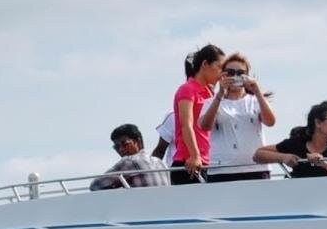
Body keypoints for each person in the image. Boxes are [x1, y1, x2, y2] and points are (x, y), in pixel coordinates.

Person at [204, 53, 278, 182]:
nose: (235, 77)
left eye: (240, 73)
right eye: (230, 73)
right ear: (222, 75)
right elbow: (205, 126)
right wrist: (219, 95)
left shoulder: (255, 101)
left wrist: (257, 91)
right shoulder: (212, 102)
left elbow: (270, 122)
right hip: (222, 169)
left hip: (255, 168)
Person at [169, 45, 226, 183]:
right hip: (188, 162)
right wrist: (195, 155)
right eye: (220, 67)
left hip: (206, 161)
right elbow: (186, 124)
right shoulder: (187, 89)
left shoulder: (210, 93)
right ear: (205, 64)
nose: (222, 73)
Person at [265, 101, 327, 176]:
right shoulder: (296, 145)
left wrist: (324, 163)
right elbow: (260, 153)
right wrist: (283, 157)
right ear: (318, 122)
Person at [91, 124, 168, 190]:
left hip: (140, 202)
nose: (121, 149)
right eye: (117, 147)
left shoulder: (129, 161)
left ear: (138, 142)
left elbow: (95, 185)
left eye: (125, 144)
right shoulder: (160, 162)